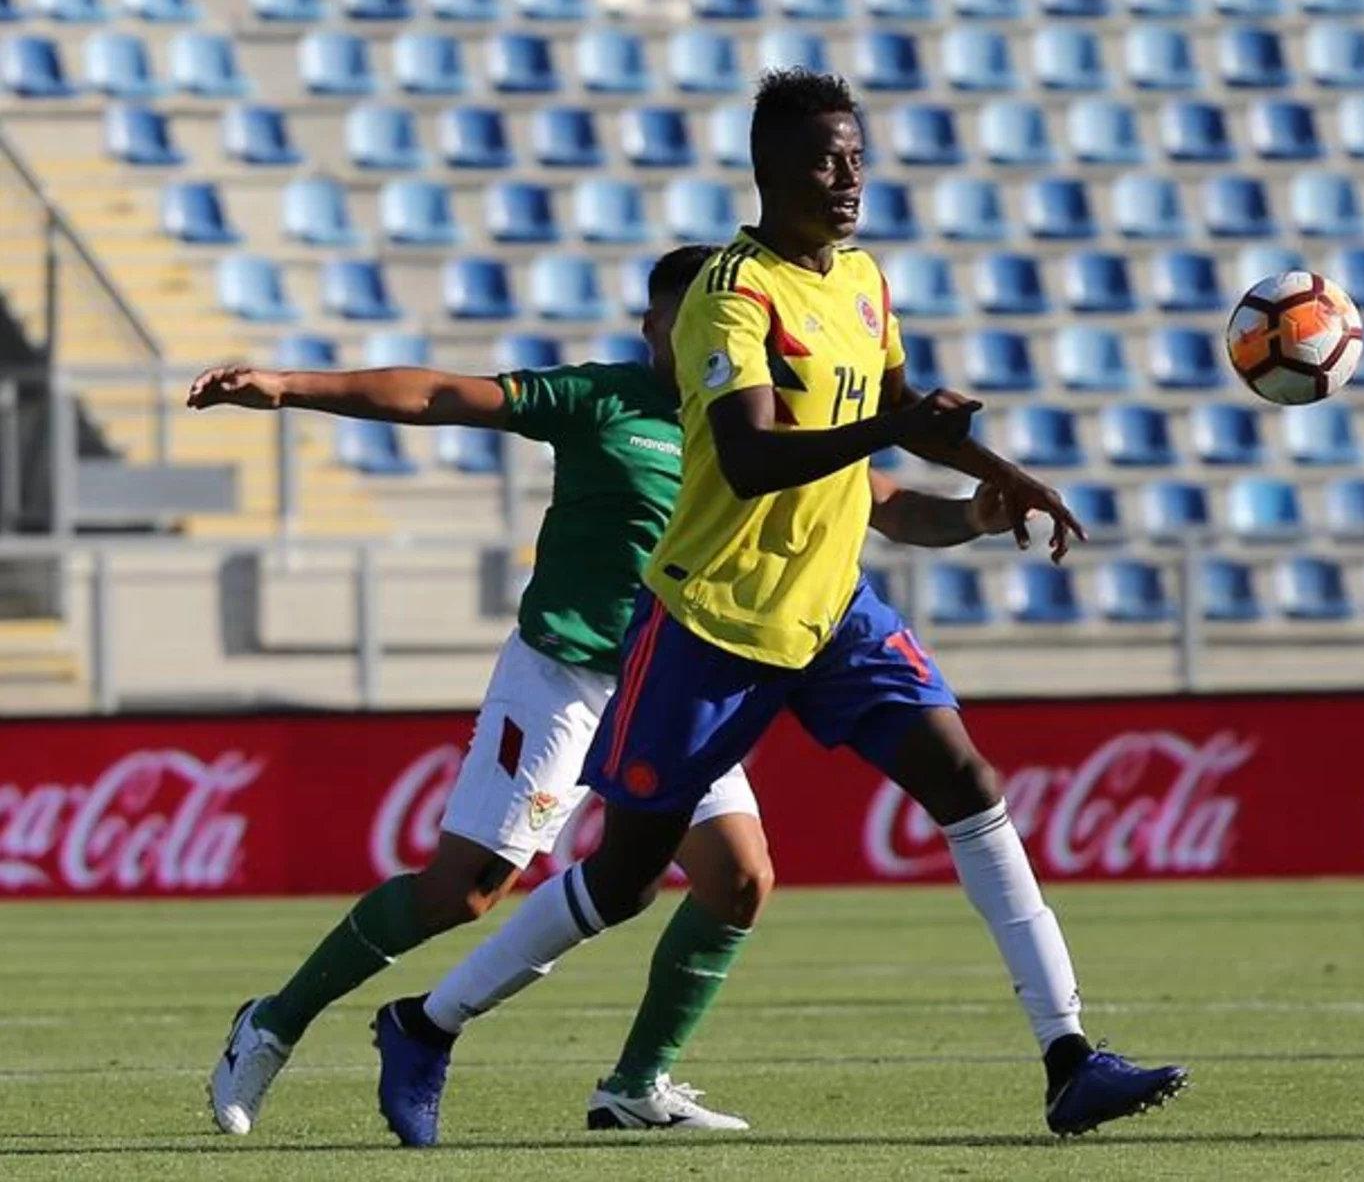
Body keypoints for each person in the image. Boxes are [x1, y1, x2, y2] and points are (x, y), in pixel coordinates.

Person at [372, 69, 1187, 1145]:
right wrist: (893, 434)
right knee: (619, 881)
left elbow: (900, 415)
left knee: (966, 781)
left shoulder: (862, 280)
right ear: (770, 172)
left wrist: (996, 485)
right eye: (824, 159)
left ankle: (1068, 1055)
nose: (848, 177)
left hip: (834, 605)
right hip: (712, 620)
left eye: (855, 155)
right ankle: (426, 1023)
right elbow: (754, 458)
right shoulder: (730, 291)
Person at [191, 244, 1023, 1139]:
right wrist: (285, 386)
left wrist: (974, 515)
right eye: (682, 322)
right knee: (463, 892)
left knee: (739, 881)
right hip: (565, 674)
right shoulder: (604, 401)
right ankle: (273, 1023)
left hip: (679, 679)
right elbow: (440, 395)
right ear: (656, 329)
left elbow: (888, 505)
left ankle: (637, 1084)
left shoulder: (776, 425)